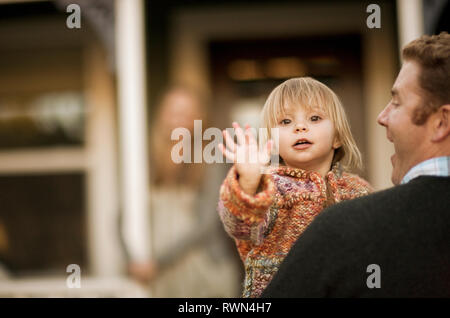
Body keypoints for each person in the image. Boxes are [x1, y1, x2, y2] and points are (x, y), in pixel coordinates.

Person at [261, 32, 450, 297]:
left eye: (396, 102)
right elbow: (242, 218)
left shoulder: (349, 223)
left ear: (442, 122)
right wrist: (245, 186)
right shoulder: (270, 187)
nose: (381, 116)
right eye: (285, 122)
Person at [217, 77, 373, 298]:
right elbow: (240, 226)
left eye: (315, 118)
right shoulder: (271, 188)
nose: (300, 127)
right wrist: (249, 184)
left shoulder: (358, 191)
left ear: (337, 137)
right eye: (286, 122)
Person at [127, 86, 241, 297]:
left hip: (205, 271)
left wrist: (158, 262)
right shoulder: (146, 162)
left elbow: (207, 223)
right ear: (161, 115)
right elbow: (122, 216)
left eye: (187, 113)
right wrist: (133, 260)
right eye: (174, 112)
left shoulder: (212, 157)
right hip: (160, 277)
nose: (180, 119)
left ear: (200, 118)